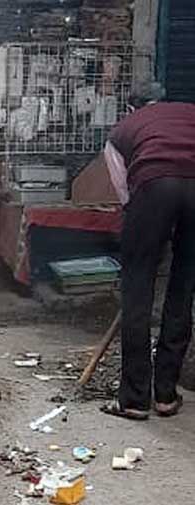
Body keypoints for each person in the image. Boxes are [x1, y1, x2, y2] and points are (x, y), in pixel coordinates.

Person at [100, 83, 195, 421]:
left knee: (137, 288)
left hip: (154, 185)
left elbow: (125, 194)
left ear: (131, 108)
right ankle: (166, 395)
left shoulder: (122, 130)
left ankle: (135, 399)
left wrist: (147, 234)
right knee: (183, 289)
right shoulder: (188, 113)